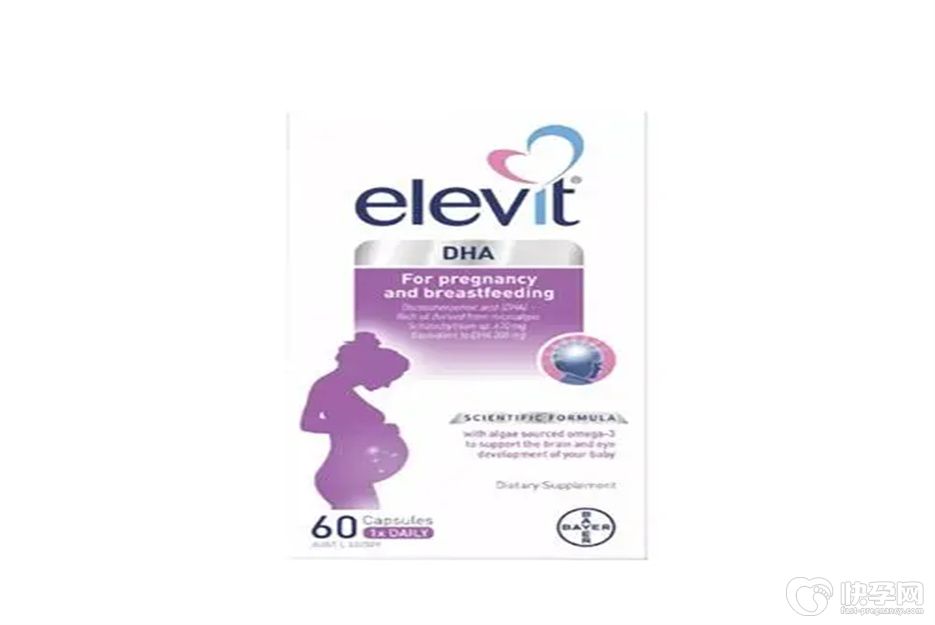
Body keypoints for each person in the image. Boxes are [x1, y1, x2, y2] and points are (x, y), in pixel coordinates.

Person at [300, 332, 410, 509]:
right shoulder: (330, 386)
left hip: (352, 475)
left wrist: (377, 431)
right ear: (373, 369)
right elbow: (308, 423)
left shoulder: (338, 387)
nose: (386, 385)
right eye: (387, 377)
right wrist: (367, 429)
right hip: (341, 476)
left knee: (366, 518)